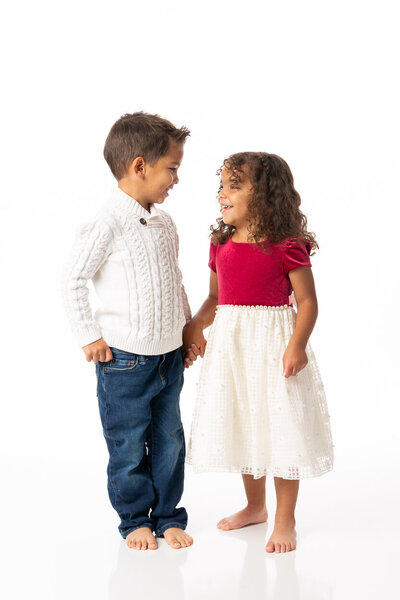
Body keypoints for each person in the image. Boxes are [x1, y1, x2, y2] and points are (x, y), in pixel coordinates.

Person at [183, 152, 334, 553]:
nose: (222, 194)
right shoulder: (220, 243)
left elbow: (308, 302)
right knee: (245, 423)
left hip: (273, 347)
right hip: (233, 349)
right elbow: (215, 298)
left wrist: (296, 345)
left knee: (280, 429)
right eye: (221, 186)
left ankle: (286, 519)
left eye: (235, 185)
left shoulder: (287, 246)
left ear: (265, 194)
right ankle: (255, 506)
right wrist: (196, 324)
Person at [62, 112, 194, 551]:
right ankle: (135, 519)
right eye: (171, 168)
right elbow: (73, 279)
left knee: (170, 440)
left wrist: (188, 329)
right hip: (123, 362)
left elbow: (175, 282)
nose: (176, 178)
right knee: (128, 446)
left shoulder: (165, 224)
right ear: (140, 166)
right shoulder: (107, 222)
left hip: (169, 355)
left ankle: (169, 515)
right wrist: (88, 334)